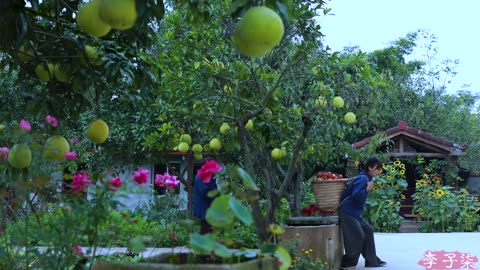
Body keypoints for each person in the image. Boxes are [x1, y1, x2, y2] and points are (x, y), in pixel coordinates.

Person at [339, 157, 387, 269]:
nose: (378, 171)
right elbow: (356, 196)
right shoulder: (363, 179)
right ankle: (348, 263)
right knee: (358, 236)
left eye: (379, 169)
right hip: (347, 212)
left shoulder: (366, 177)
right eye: (377, 169)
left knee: (368, 230)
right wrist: (367, 189)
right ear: (369, 168)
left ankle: (372, 260)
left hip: (354, 213)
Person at [193, 160, 220, 234]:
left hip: (206, 207)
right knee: (206, 229)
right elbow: (205, 192)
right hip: (204, 207)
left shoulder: (205, 175)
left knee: (206, 228)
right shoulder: (201, 176)